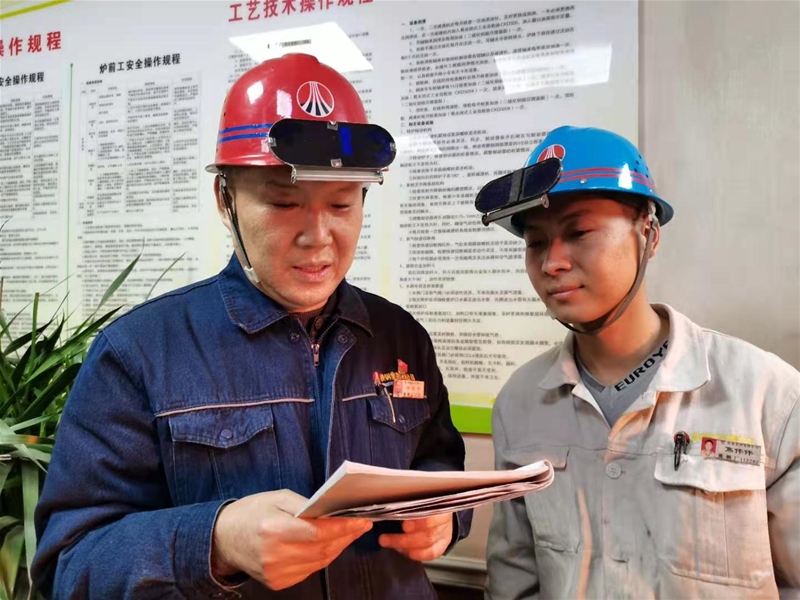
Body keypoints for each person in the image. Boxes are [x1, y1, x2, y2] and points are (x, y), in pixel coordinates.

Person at [33, 53, 471, 599]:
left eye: (341, 204)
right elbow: (69, 564)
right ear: (226, 200)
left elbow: (438, 463)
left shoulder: (400, 336)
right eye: (284, 203)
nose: (318, 236)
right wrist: (215, 541)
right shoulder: (138, 353)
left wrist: (447, 520)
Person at [476, 126, 799, 598]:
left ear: (649, 234)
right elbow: (513, 582)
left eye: (579, 233)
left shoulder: (766, 396)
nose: (552, 263)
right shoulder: (520, 403)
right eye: (536, 243)